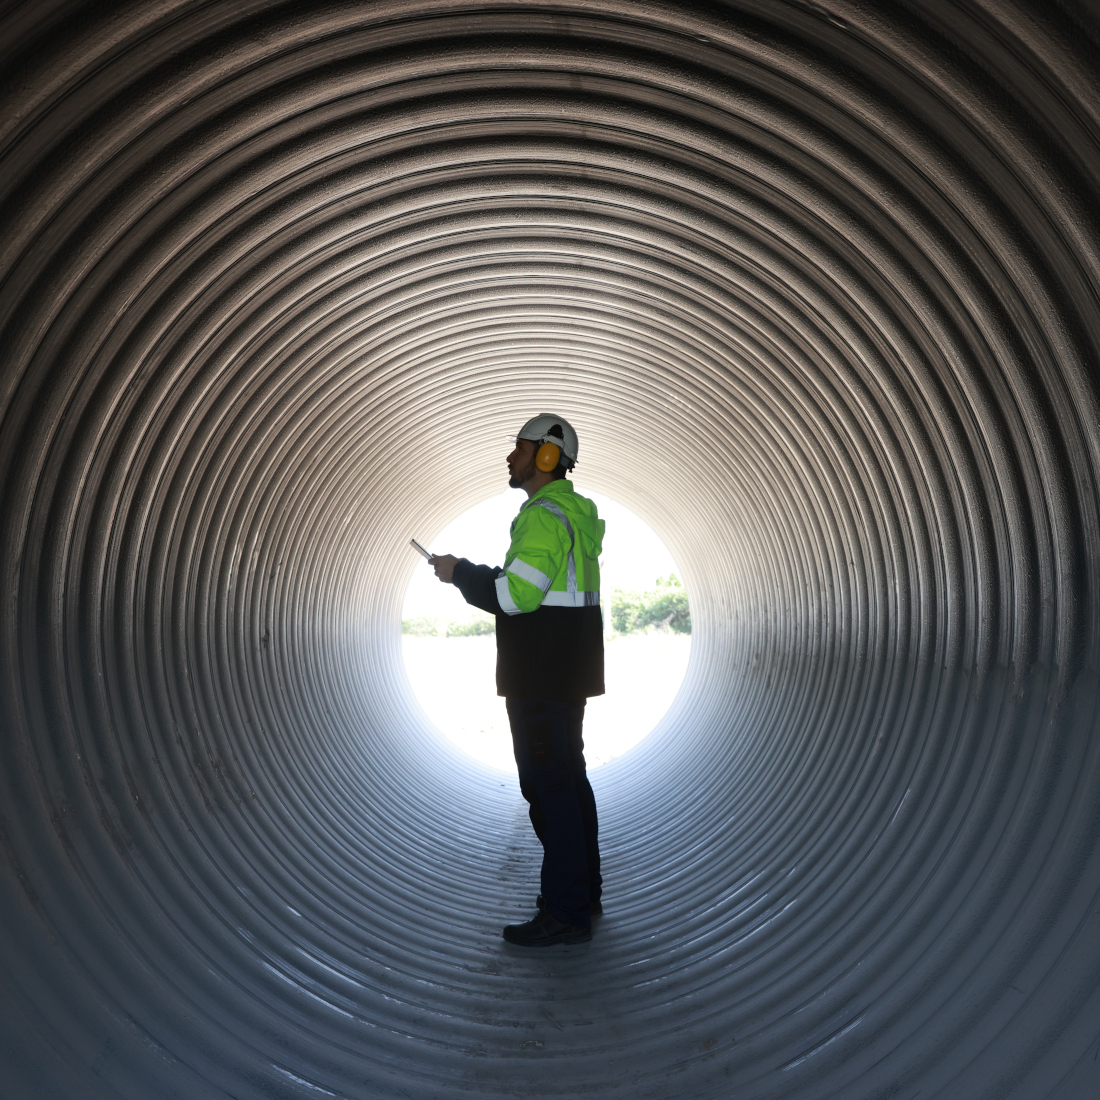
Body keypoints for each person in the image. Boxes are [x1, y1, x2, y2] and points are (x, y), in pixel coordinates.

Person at [428, 413, 605, 947]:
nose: (512, 457)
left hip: (540, 674)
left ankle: (567, 911)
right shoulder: (577, 514)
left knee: (548, 786)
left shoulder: (542, 515)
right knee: (569, 782)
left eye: (521, 448)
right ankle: (581, 892)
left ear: (547, 456)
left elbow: (515, 597)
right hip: (567, 671)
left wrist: (459, 571)